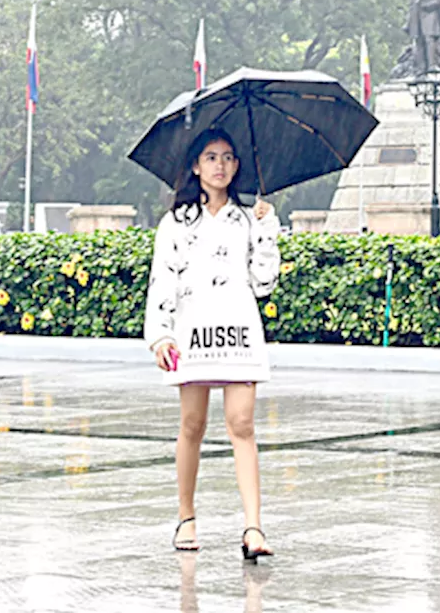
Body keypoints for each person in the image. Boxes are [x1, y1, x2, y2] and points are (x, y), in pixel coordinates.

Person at [144, 129, 281, 560]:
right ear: (196, 167)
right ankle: (186, 515)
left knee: (242, 426)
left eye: (228, 157)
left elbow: (263, 284)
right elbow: (163, 278)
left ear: (237, 165)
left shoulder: (247, 220)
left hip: (239, 333)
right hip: (193, 333)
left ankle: (253, 527)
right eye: (210, 157)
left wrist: (266, 230)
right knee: (193, 426)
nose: (220, 165)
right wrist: (160, 334)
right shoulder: (176, 223)